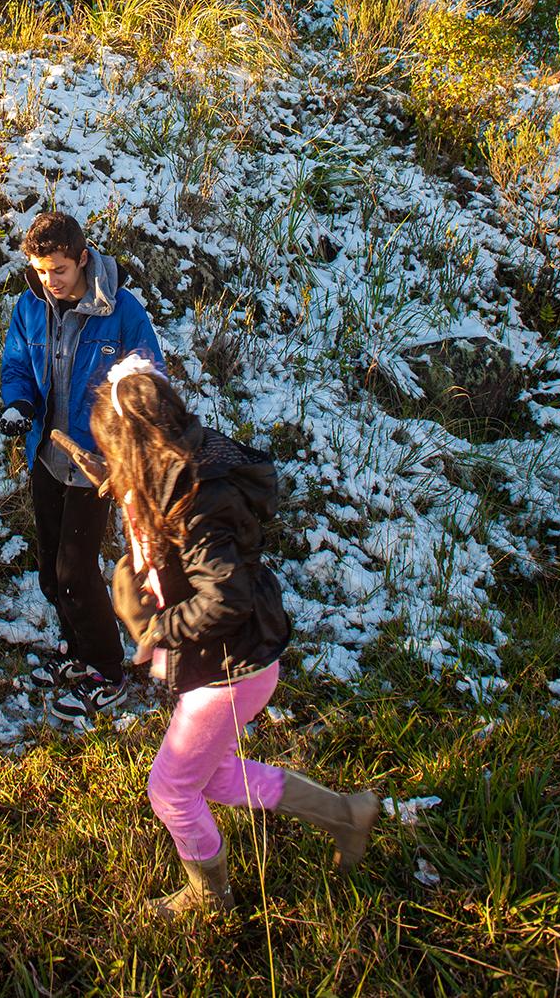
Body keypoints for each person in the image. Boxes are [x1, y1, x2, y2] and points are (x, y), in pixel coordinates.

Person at [89, 354, 380, 917]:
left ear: (136, 443)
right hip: (230, 660)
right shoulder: (180, 462)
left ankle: (209, 896)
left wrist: (152, 628)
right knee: (218, 775)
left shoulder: (200, 500)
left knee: (171, 791)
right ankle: (347, 815)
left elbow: (224, 597)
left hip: (228, 668)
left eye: (114, 450)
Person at [0, 211, 163, 722]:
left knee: (75, 569)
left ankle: (107, 669)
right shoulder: (31, 306)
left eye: (60, 271)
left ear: (83, 260)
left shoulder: (121, 312)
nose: (50, 281)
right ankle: (75, 650)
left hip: (97, 466)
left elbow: (147, 379)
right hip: (47, 456)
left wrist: (128, 445)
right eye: (41, 270)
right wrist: (18, 405)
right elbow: (17, 366)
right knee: (51, 569)